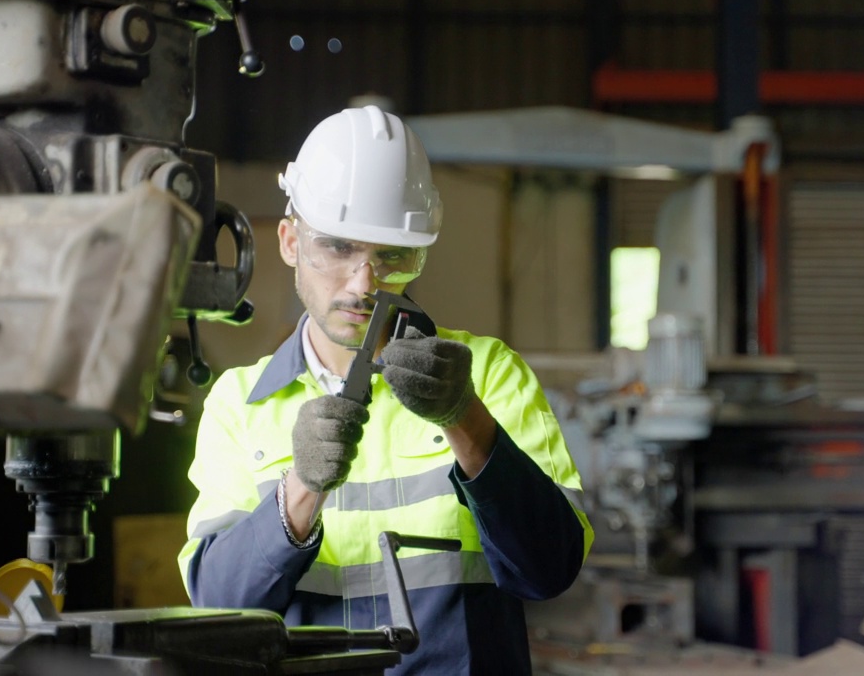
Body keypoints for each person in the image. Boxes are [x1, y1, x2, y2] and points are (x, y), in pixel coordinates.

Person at [178, 105, 592, 675]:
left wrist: (465, 417)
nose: (364, 283)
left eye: (392, 256)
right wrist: (298, 491)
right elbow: (218, 606)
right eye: (339, 248)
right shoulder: (239, 404)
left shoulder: (490, 374)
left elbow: (549, 569)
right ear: (291, 242)